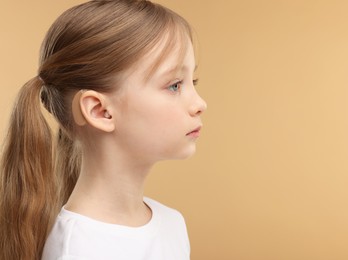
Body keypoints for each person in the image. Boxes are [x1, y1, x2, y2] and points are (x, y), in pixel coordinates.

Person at [0, 0, 207, 259]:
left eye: (193, 81)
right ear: (100, 111)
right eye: (175, 85)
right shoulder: (78, 249)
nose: (200, 104)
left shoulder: (172, 223)